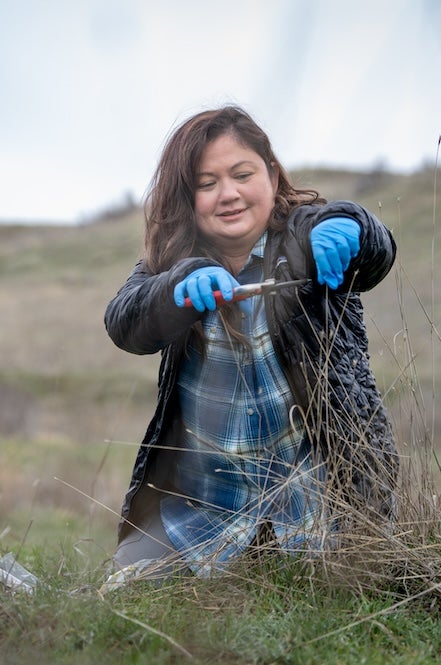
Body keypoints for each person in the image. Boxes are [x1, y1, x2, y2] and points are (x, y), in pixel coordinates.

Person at [103, 105, 399, 583]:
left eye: (243, 174)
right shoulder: (170, 264)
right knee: (124, 592)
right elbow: (124, 322)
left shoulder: (305, 233)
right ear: (188, 197)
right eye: (207, 183)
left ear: (272, 174)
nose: (229, 194)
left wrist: (354, 227)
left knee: (341, 592)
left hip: (322, 507)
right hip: (199, 510)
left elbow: (375, 247)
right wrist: (179, 287)